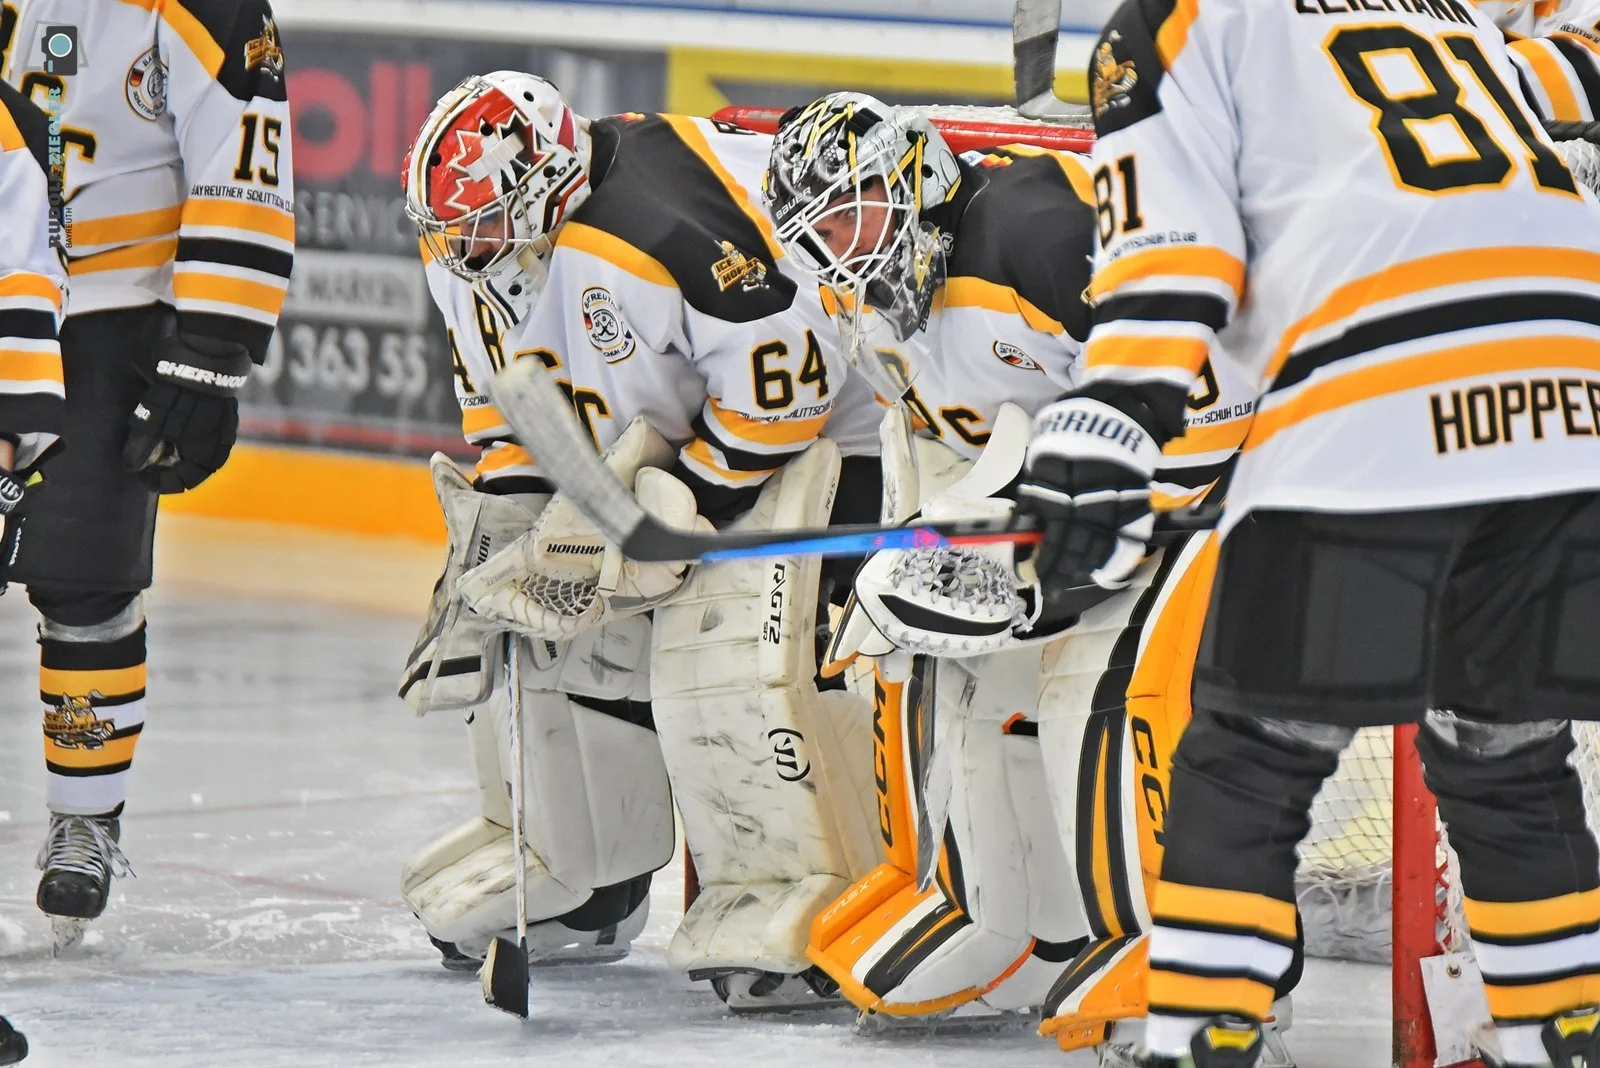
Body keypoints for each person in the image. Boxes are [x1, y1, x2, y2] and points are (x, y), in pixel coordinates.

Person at [1015, 0, 1600, 1063]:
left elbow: (1171, 262)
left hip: (1379, 386)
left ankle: (1203, 1042)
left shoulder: (1166, 23)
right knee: (1508, 754)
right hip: (1570, 391)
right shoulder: (1447, 11)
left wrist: (1104, 430)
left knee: (1249, 761)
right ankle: (1563, 1039)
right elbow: (1563, 78)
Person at [761, 92, 1277, 1064]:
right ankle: (1000, 924)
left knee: (1098, 701)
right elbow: (928, 434)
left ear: (911, 176)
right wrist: (928, 547)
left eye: (849, 209)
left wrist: (1073, 553)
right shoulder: (869, 294)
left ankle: (1182, 952)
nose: (835, 246)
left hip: (1216, 489)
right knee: (955, 680)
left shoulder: (1036, 239)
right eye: (813, 229)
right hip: (1062, 509)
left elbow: (1213, 387)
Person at [397, 71, 885, 1009]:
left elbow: (795, 396)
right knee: (545, 630)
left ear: (544, 187)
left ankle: (808, 887)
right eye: (452, 229)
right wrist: (512, 532)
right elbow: (510, 415)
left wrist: (679, 504)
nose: (464, 249)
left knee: (731, 661)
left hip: (823, 446)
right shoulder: (468, 252)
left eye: (487, 224)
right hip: (663, 446)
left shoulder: (664, 230)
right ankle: (587, 882)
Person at [0, 0, 293, 951]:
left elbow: (243, 152)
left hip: (105, 310)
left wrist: (209, 346)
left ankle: (84, 818)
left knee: (84, 583)